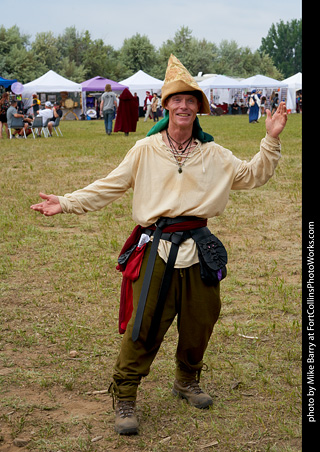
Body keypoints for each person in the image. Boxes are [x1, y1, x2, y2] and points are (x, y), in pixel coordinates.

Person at [30, 54, 287, 436]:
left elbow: (252, 175)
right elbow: (109, 185)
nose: (183, 106)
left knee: (201, 322)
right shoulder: (145, 149)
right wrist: (65, 202)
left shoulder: (214, 154)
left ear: (199, 107)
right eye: (176, 100)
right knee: (144, 326)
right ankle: (126, 395)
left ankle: (186, 380)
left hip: (199, 249)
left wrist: (270, 139)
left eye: (190, 100)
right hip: (156, 248)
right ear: (165, 105)